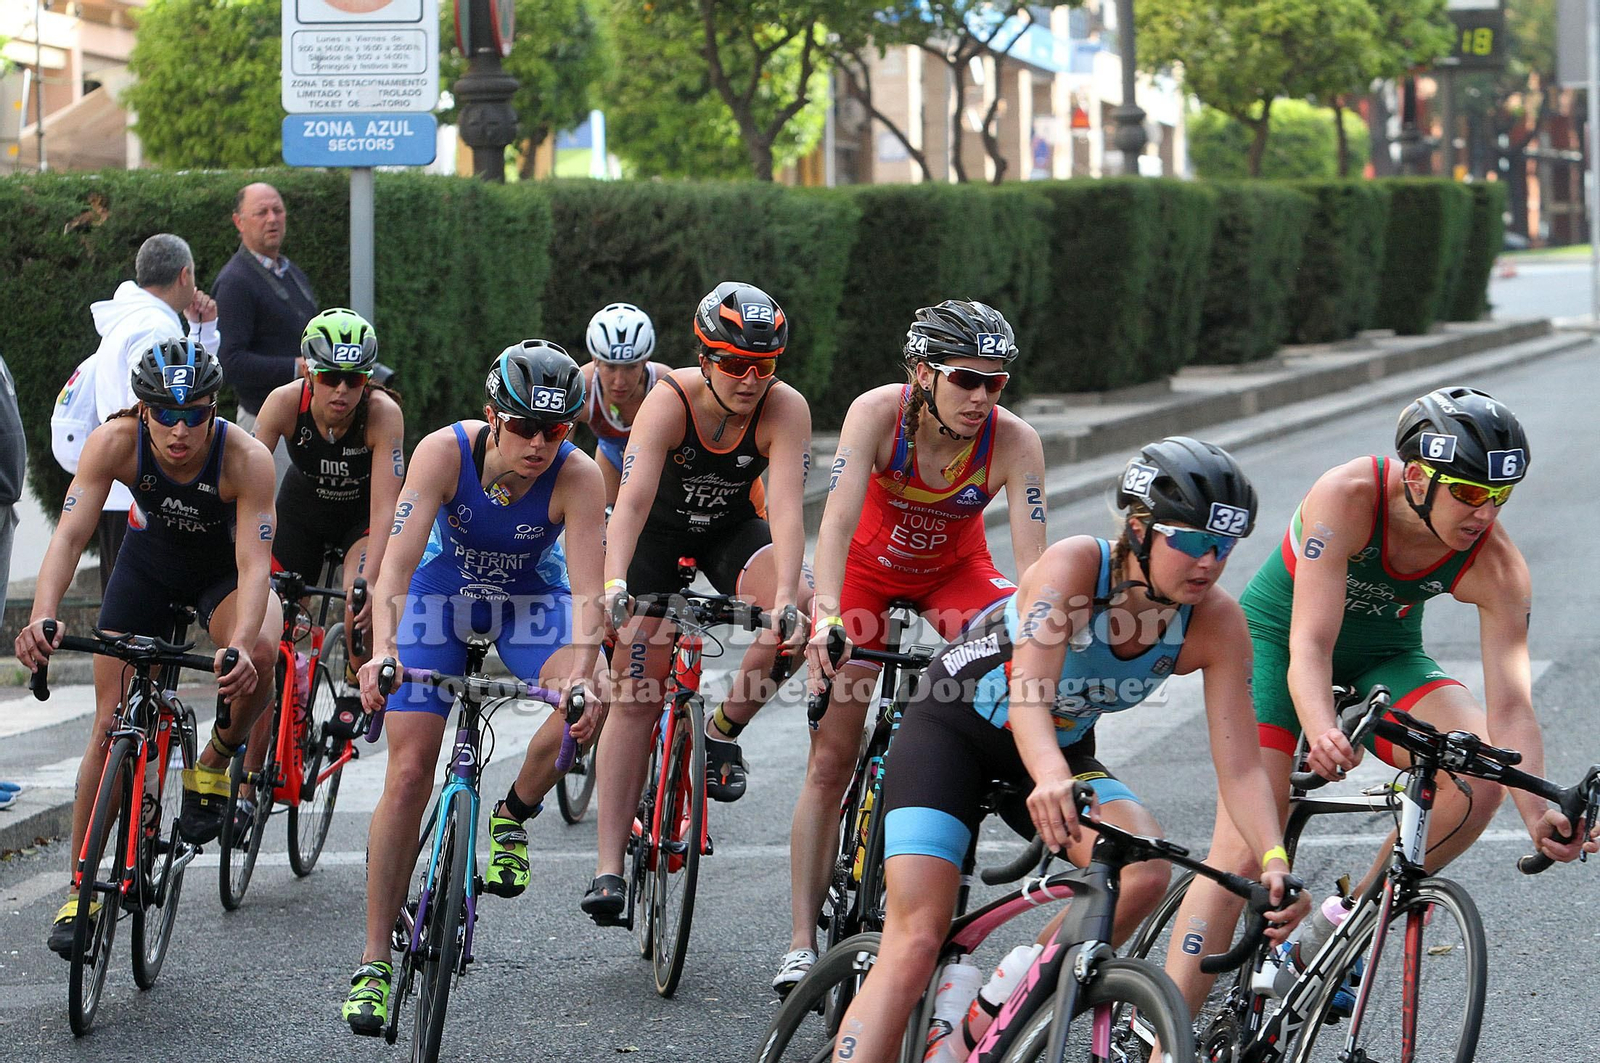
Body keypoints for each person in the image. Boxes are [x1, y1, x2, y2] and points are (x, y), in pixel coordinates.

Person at [827, 438, 1303, 1063]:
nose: (1210, 562)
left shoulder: (1215, 623)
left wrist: (1272, 858)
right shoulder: (1076, 567)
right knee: (915, 938)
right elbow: (1029, 690)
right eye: (1191, 541)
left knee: (1143, 869)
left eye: (1225, 544)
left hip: (1056, 752)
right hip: (952, 731)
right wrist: (1050, 776)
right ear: (1140, 529)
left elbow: (1241, 766)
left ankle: (988, 1012)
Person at [1163, 386, 1600, 1017]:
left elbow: (1511, 708)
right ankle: (1163, 1039)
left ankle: (1338, 930)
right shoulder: (1347, 495)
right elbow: (1309, 645)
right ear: (1418, 478)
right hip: (1276, 645)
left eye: (1501, 495)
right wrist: (1320, 727)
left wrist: (1537, 810)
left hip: (1385, 657)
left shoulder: (1498, 563)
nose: (1485, 513)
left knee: (1477, 778)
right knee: (1241, 853)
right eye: (1469, 492)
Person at [776, 300, 1048, 995]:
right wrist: (826, 616)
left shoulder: (1015, 441)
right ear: (923, 373)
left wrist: (1034, 646)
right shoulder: (876, 413)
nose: (982, 397)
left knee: (1008, 655)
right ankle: (801, 942)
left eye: (995, 382)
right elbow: (836, 523)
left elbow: (1035, 574)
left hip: (955, 575)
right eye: (966, 379)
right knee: (832, 755)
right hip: (864, 575)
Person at [343, 341, 607, 1035]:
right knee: (409, 772)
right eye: (524, 426)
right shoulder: (443, 452)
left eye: (555, 429)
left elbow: (588, 595)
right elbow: (396, 565)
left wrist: (583, 675)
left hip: (528, 601)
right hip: (441, 596)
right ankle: (373, 962)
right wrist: (383, 651)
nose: (539, 443)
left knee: (598, 691)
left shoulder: (578, 476)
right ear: (493, 417)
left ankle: (512, 813)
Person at [15, 339, 280, 957]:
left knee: (263, 653)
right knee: (109, 723)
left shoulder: (246, 459)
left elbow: (254, 564)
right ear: (143, 410)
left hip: (223, 577)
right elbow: (70, 536)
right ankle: (82, 889)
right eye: (165, 414)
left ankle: (213, 762)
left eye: (194, 414)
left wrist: (240, 645)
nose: (179, 430)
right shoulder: (114, 442)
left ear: (214, 410)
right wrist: (43, 615)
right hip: (148, 569)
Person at [584, 280, 814, 924]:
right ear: (705, 357)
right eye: (735, 364)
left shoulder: (784, 408)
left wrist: (786, 600)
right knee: (637, 690)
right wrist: (614, 584)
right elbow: (629, 504)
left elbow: (788, 512)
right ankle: (607, 867)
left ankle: (722, 734)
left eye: (763, 366)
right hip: (654, 536)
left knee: (803, 605)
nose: (750, 380)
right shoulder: (668, 401)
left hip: (728, 532)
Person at [239, 308, 404, 818]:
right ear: (309, 372)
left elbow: (386, 509)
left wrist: (371, 582)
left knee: (359, 598)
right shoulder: (283, 402)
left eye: (354, 379)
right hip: (302, 514)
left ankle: (354, 681)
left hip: (359, 520)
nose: (342, 390)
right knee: (271, 634)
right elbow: (246, 480)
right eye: (330, 377)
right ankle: (246, 786)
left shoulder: (382, 414)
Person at [67, 233, 220, 593]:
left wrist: (203, 330)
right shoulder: (154, 327)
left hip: (120, 487)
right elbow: (170, 402)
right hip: (144, 492)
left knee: (123, 609)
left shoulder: (129, 319)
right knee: (143, 612)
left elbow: (179, 390)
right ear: (184, 275)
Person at [213, 183, 318, 429]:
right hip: (265, 420)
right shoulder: (234, 282)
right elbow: (229, 362)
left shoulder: (291, 272)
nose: (272, 219)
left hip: (303, 416)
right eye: (261, 212)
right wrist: (298, 367)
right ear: (239, 222)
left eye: (277, 210)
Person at [579, 302, 670, 508]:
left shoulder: (664, 383)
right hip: (610, 458)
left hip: (659, 464)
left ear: (645, 361)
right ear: (595, 360)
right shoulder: (582, 387)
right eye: (610, 367)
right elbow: (557, 453)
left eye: (630, 368)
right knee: (606, 519)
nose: (619, 381)